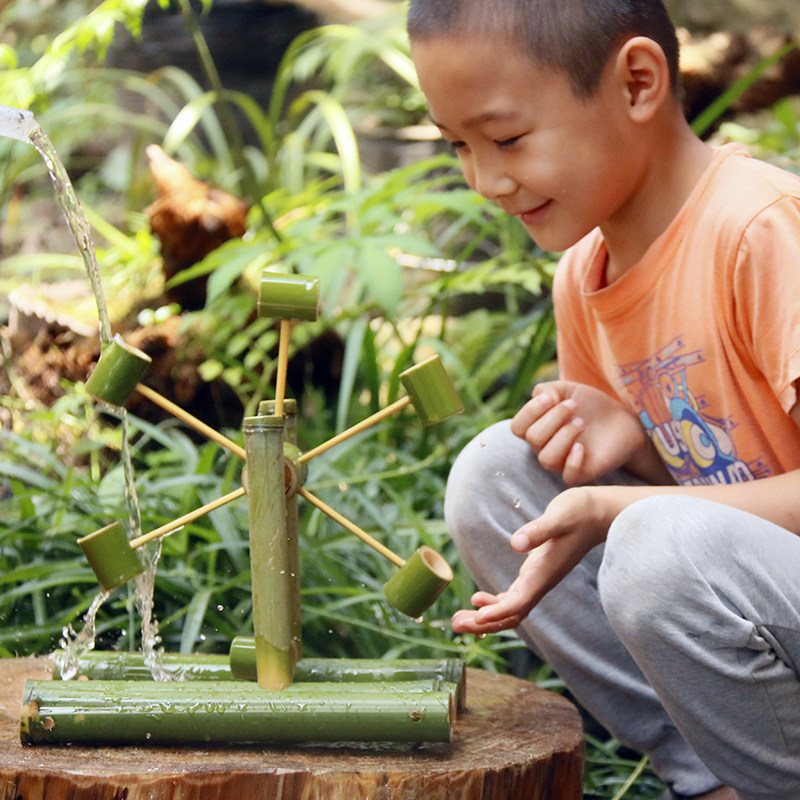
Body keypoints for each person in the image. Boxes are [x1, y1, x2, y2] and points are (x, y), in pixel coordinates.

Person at [406, 1, 800, 798]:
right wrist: (636, 449)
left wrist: (616, 509)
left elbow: (675, 537)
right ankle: (711, 777)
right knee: (497, 478)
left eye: (507, 139)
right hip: (745, 607)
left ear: (638, 82)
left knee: (650, 546)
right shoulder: (583, 275)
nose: (485, 180)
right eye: (460, 147)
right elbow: (704, 497)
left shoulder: (760, 230)